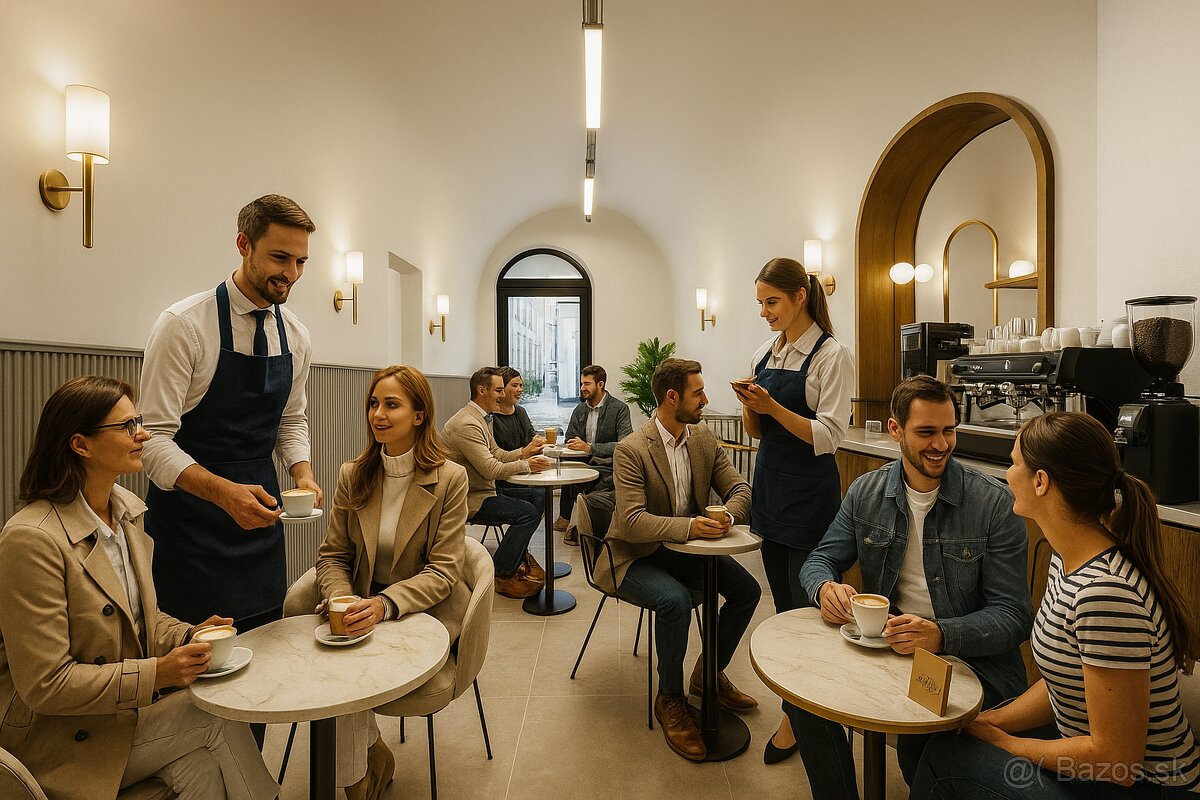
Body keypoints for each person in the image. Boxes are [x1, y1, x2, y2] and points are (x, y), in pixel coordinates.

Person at [0, 376, 278, 800]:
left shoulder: (128, 513)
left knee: (201, 765)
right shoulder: (30, 539)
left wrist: (188, 635)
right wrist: (158, 673)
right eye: (127, 426)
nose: (143, 435)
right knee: (211, 714)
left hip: (118, 718)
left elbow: (140, 620)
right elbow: (46, 685)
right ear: (81, 444)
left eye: (140, 422)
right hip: (57, 739)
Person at [911, 412, 1200, 799]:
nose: (1008, 474)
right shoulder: (1066, 560)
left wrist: (1006, 744)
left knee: (945, 758)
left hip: (1145, 785)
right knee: (953, 736)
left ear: (1042, 482)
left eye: (1014, 464)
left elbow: (1118, 759)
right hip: (1098, 765)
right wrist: (990, 721)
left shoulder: (1104, 594)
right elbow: (1065, 683)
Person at [794, 375, 1031, 795]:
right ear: (895, 430)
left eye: (949, 430)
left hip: (971, 662)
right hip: (890, 650)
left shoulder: (993, 503)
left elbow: (1013, 618)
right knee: (803, 702)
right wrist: (824, 589)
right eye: (926, 432)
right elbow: (820, 560)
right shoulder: (866, 492)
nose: (941, 444)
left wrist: (940, 634)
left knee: (918, 755)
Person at [140, 194, 322, 640]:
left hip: (261, 526)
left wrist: (303, 474)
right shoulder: (183, 326)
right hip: (189, 530)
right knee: (197, 671)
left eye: (301, 261)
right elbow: (153, 441)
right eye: (280, 258)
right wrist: (222, 494)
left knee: (264, 657)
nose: (291, 274)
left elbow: (291, 420)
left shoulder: (296, 335)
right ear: (243, 244)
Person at [313, 365, 471, 799]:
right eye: (373, 403)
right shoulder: (354, 474)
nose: (377, 414)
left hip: (418, 613)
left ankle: (358, 781)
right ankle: (369, 760)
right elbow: (333, 556)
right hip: (360, 609)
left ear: (419, 415)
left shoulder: (450, 479)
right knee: (336, 656)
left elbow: (443, 571)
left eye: (391, 404)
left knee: (339, 667)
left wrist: (383, 605)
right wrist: (343, 600)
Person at [597, 358, 761, 762]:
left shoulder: (703, 439)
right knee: (675, 601)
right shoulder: (632, 450)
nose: (706, 400)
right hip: (632, 556)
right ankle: (669, 697)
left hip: (685, 552)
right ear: (673, 397)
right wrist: (690, 528)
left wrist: (726, 516)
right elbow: (633, 523)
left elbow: (740, 487)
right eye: (698, 392)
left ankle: (707, 675)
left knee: (747, 591)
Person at [732, 256, 854, 763]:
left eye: (772, 302)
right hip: (771, 491)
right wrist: (747, 405)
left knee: (809, 610)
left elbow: (829, 436)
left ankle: (807, 714)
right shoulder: (766, 351)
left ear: (801, 295)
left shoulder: (832, 355)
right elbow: (757, 434)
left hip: (810, 495)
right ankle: (796, 708)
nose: (764, 312)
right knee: (780, 604)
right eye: (760, 303)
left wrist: (773, 407)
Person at [443, 366, 551, 598]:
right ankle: (501, 573)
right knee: (527, 514)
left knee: (539, 496)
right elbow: (491, 468)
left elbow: (497, 453)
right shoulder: (466, 424)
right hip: (470, 498)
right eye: (499, 390)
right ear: (482, 391)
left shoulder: (480, 418)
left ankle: (516, 557)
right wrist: (527, 465)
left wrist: (525, 452)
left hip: (485, 490)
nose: (503, 396)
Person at [555, 364, 633, 542]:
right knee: (569, 475)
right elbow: (570, 436)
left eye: (587, 384)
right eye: (582, 383)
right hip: (583, 462)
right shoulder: (580, 409)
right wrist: (575, 444)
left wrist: (591, 448)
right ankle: (566, 517)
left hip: (607, 465)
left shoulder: (619, 409)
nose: (582, 388)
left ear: (600, 384)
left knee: (595, 484)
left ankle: (581, 525)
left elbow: (624, 444)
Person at [491, 366, 543, 455]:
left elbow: (531, 437)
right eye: (514, 386)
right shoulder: (490, 416)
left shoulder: (520, 412)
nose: (520, 390)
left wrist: (539, 442)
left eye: (521, 385)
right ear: (501, 388)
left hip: (526, 463)